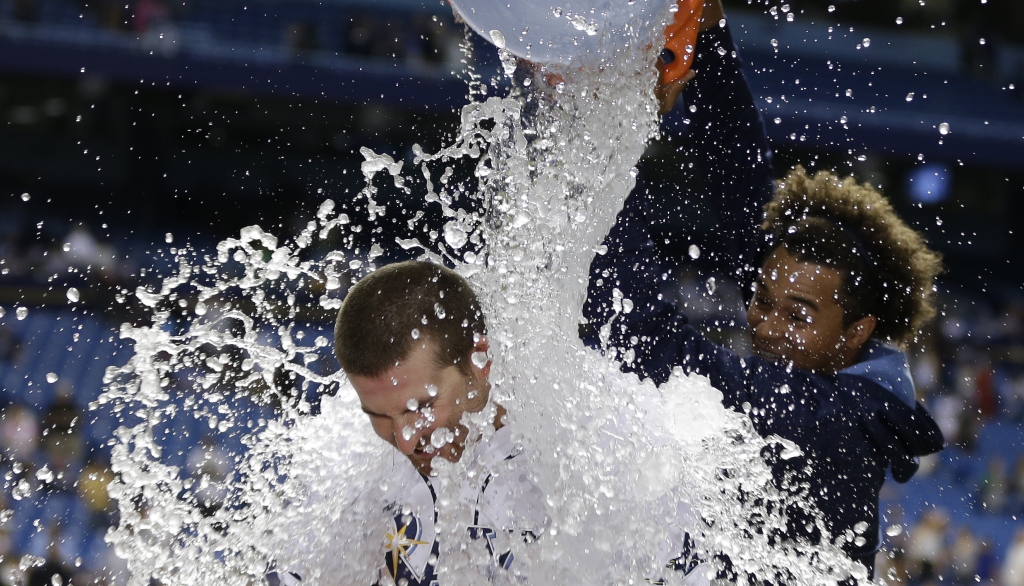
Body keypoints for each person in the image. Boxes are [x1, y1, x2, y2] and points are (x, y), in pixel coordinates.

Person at [583, 28, 946, 576]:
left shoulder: (838, 424)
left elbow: (644, 341)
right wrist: (704, 36)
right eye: (761, 300)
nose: (768, 326)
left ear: (855, 332)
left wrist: (599, 137)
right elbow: (743, 187)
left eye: (798, 314)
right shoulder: (841, 374)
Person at [328, 260, 705, 586]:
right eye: (377, 417)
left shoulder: (603, 453)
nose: (405, 443)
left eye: (420, 408)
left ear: (479, 361)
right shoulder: (349, 466)